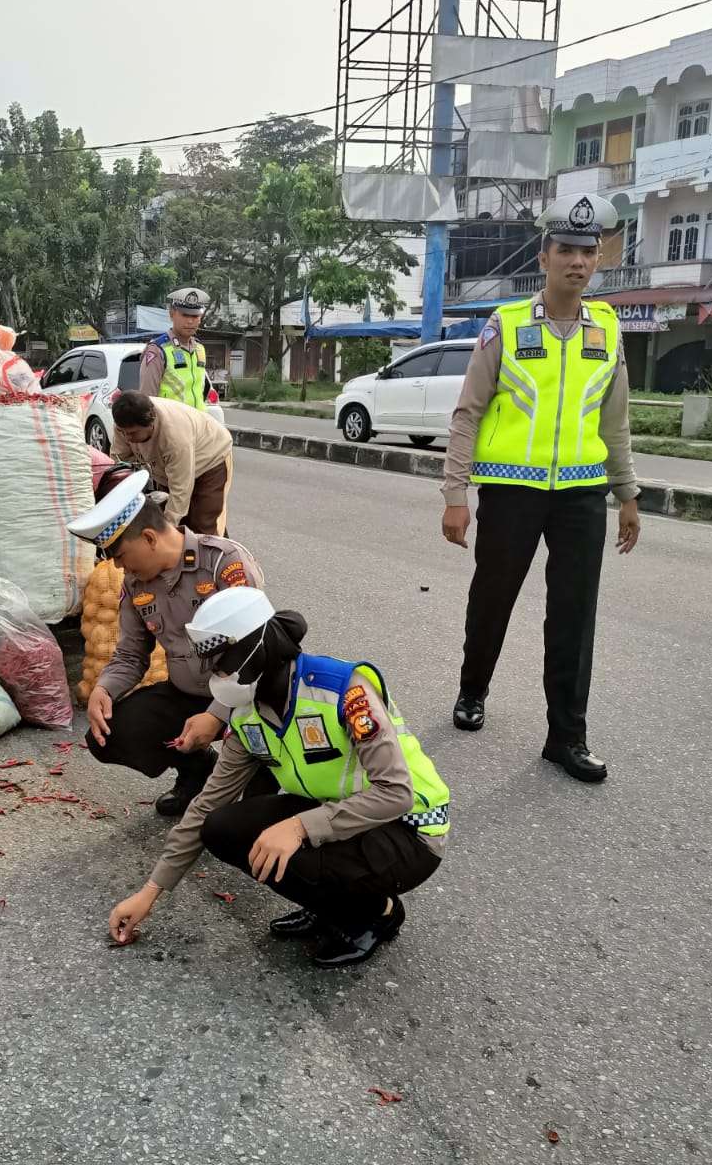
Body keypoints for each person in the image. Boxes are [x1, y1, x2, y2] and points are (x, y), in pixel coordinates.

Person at [107, 586, 450, 968]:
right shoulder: (248, 713)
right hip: (338, 813)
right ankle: (327, 905)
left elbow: (396, 794)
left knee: (292, 848)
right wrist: (151, 891)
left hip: (409, 827)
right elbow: (209, 803)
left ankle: (374, 914)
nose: (214, 679)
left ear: (255, 652)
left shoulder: (342, 691)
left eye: (219, 665)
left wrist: (300, 827)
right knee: (222, 827)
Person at [439, 193, 642, 783]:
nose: (577, 261)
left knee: (575, 616)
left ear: (598, 259)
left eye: (588, 251)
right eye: (566, 250)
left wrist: (626, 494)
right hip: (511, 491)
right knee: (492, 598)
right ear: (545, 255)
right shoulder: (505, 325)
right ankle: (472, 690)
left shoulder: (607, 330)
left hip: (583, 495)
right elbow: (467, 414)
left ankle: (566, 736)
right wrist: (456, 495)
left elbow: (615, 420)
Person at [68, 471, 264, 816]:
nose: (118, 566)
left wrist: (217, 716)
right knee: (112, 734)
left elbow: (257, 647)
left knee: (248, 819)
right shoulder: (136, 585)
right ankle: (196, 770)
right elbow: (131, 654)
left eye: (122, 555)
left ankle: (258, 772)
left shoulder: (223, 562)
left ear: (149, 538)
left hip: (251, 697)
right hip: (188, 694)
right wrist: (105, 689)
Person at [109, 390, 234, 536]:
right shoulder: (124, 423)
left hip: (211, 458)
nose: (126, 437)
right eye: (122, 432)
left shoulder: (175, 436)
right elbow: (121, 463)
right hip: (170, 466)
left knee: (203, 524)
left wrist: (166, 530)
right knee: (169, 516)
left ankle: (223, 557)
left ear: (151, 423)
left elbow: (180, 489)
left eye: (132, 433)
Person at [139, 287, 212, 410]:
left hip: (198, 424)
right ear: (172, 315)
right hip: (170, 426)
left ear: (200, 318)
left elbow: (201, 391)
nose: (190, 321)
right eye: (184, 315)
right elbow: (147, 399)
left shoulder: (200, 349)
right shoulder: (158, 350)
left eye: (194, 316)